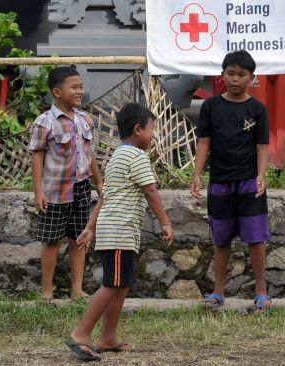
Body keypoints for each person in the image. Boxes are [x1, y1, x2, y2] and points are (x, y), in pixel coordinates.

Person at [65, 103, 173, 361]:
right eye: (152, 129)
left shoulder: (117, 157)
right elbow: (151, 191)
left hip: (115, 231)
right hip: (119, 231)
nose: (154, 135)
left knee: (121, 285)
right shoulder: (136, 157)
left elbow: (105, 198)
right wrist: (166, 223)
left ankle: (108, 338)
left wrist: (90, 228)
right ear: (138, 129)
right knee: (113, 284)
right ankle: (81, 333)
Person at [190, 50, 272, 311]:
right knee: (221, 239)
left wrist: (261, 175)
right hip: (220, 182)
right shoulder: (211, 106)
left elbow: (262, 146)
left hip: (249, 181)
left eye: (242, 74)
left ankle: (261, 291)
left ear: (252, 78)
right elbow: (204, 142)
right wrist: (197, 174)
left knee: (256, 238)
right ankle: (218, 291)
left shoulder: (257, 109)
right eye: (231, 73)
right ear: (222, 75)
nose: (235, 79)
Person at [28, 66, 103, 302]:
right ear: (57, 92)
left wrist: (99, 183)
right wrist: (38, 191)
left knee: (79, 238)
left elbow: (90, 155)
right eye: (75, 87)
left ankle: (77, 290)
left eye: (81, 87)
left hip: (81, 187)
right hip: (55, 190)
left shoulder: (85, 121)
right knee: (52, 240)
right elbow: (37, 155)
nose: (80, 91)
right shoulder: (45, 122)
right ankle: (47, 292)